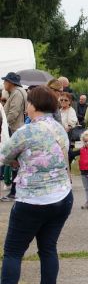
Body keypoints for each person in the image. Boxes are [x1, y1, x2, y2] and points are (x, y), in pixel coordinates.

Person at [0, 86, 73, 284]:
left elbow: (4, 155)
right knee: (48, 248)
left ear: (33, 106)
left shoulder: (26, 131)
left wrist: (17, 160)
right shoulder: (59, 128)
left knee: (13, 252)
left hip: (32, 199)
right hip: (61, 195)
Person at [1, 72, 27, 201]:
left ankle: (15, 192)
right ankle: (15, 191)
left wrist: (3, 125)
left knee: (15, 162)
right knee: (16, 162)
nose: (4, 83)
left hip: (15, 130)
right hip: (17, 129)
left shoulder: (17, 93)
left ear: (11, 82)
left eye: (5, 81)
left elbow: (13, 113)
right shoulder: (18, 92)